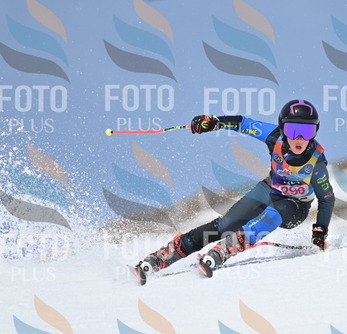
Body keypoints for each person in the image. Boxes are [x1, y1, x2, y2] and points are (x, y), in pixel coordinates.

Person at [136, 99, 335, 275]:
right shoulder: (273, 136)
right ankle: (163, 257)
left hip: (295, 208)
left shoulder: (316, 161)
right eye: (293, 130)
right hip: (269, 190)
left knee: (279, 210)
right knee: (226, 225)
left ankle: (225, 250)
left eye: (307, 132)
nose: (299, 139)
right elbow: (243, 123)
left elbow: (326, 198)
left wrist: (320, 230)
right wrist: (214, 122)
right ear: (282, 129)